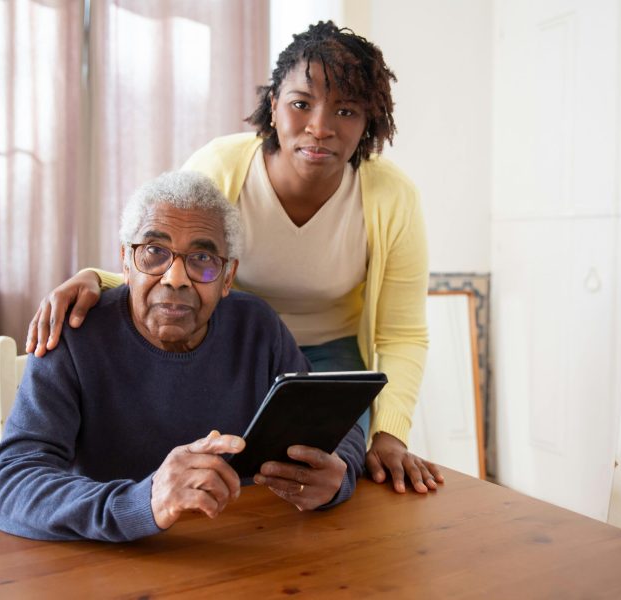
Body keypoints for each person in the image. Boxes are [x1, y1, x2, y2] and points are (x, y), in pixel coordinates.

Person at [25, 21, 444, 495]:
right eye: (301, 103)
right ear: (274, 104)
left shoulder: (393, 196)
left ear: (369, 120)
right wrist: (96, 279)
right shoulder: (223, 167)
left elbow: (402, 333)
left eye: (346, 110)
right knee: (232, 482)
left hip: (332, 361)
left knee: (326, 488)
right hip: (237, 349)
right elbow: (171, 254)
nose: (320, 127)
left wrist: (389, 435)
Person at [0, 171, 365, 542]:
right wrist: (143, 502)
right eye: (154, 252)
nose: (175, 277)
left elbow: (339, 428)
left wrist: (337, 479)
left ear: (228, 277)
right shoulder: (75, 334)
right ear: (126, 263)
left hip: (247, 549)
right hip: (113, 561)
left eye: (202, 258)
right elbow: (9, 486)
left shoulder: (257, 327)